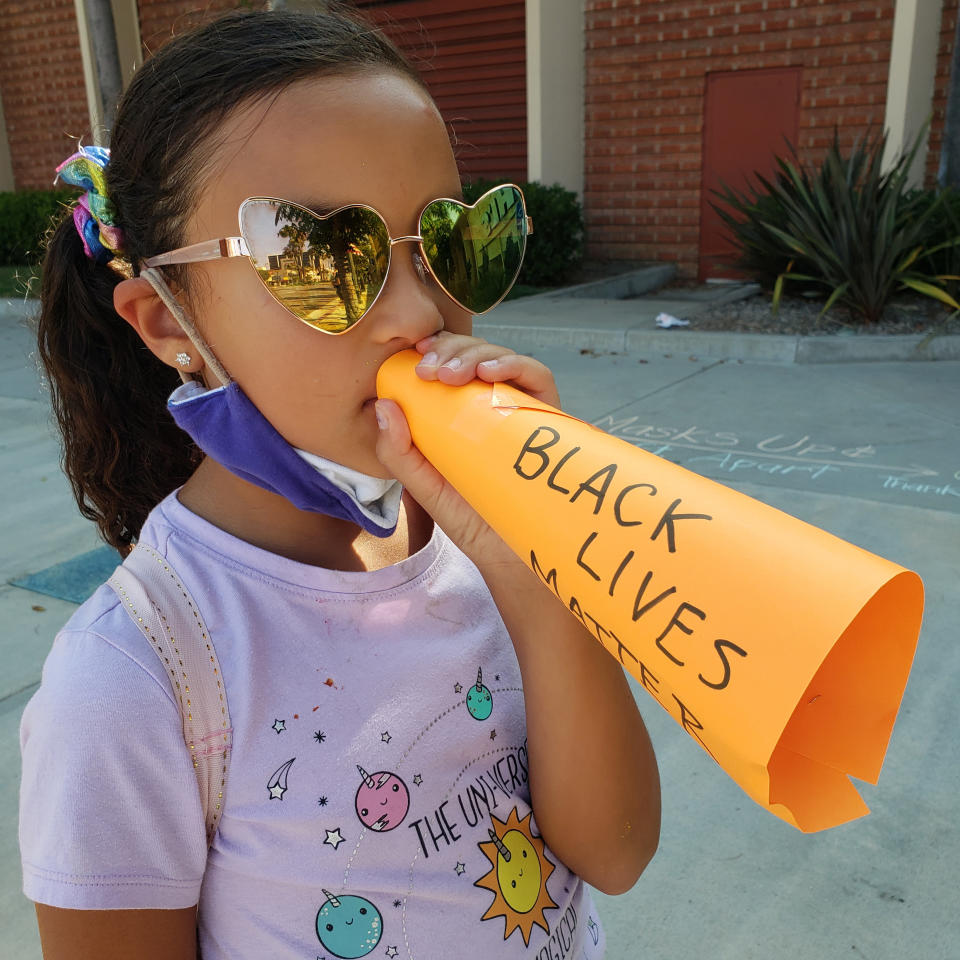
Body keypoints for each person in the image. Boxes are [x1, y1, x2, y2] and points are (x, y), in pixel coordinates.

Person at [19, 8, 660, 960]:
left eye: (447, 240)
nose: (415, 313)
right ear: (165, 322)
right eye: (320, 256)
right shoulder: (134, 678)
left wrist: (537, 563)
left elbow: (610, 853)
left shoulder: (477, 546)